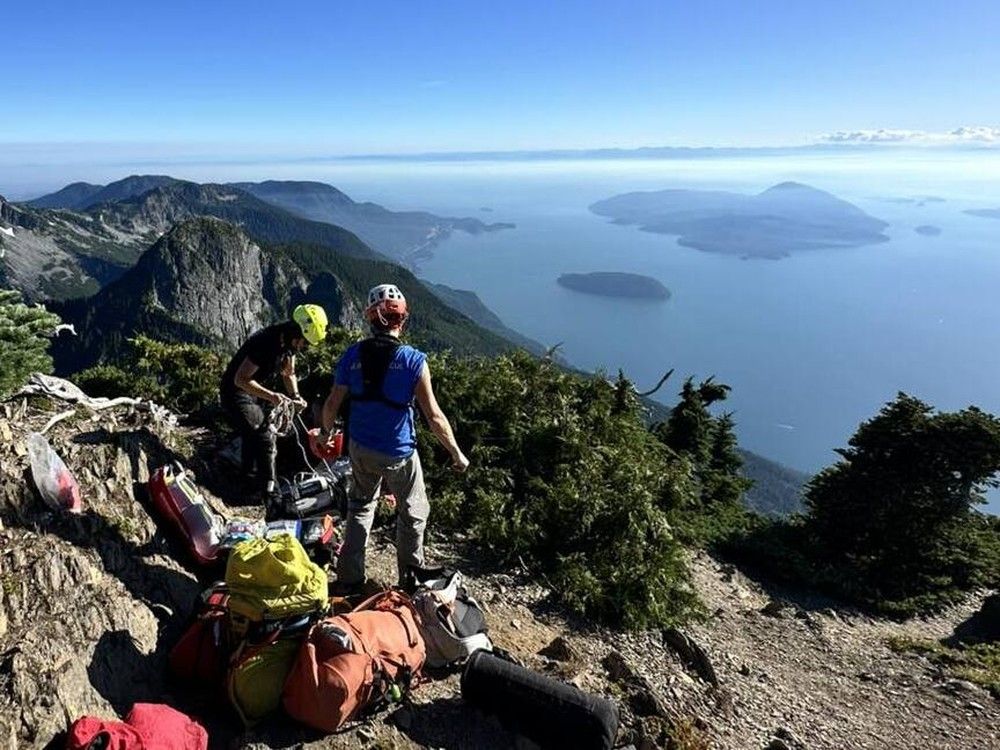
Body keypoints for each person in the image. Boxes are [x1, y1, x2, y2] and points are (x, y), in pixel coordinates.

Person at [320, 283, 469, 592]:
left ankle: (349, 579)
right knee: (413, 513)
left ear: (370, 319)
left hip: (359, 447)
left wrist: (324, 434)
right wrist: (456, 453)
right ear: (402, 319)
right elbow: (435, 417)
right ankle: (410, 584)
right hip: (397, 452)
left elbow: (333, 403)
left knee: (360, 507)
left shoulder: (352, 355)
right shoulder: (414, 361)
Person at [220, 304, 328, 494]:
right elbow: (240, 379)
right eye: (305, 342)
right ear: (297, 335)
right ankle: (269, 491)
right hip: (235, 392)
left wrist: (295, 396)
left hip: (252, 392)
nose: (305, 347)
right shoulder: (266, 343)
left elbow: (289, 373)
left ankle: (246, 480)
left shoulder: (287, 344)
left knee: (252, 434)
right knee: (264, 435)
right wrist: (272, 396)